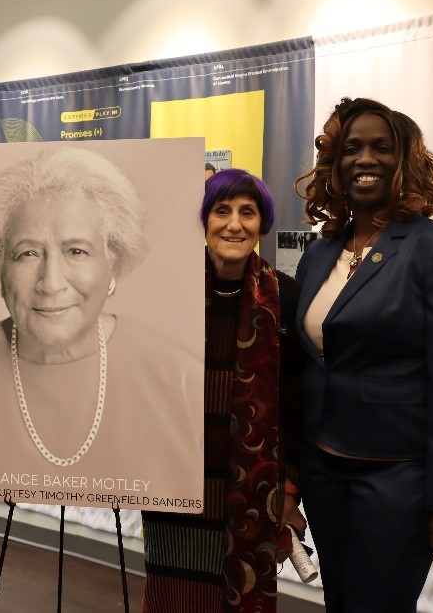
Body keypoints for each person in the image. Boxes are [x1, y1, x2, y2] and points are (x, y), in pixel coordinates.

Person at [0, 147, 204, 508]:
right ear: (1, 268)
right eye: (27, 253)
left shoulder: (182, 382)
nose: (50, 283)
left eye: (76, 251)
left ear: (112, 263)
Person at [293, 97, 433, 612]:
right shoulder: (320, 251)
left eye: (381, 148)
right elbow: (309, 364)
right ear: (334, 165)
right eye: (352, 149)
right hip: (323, 470)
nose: (365, 159)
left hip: (397, 478)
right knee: (340, 601)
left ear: (405, 162)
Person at [140, 168, 306, 612]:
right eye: (222, 210)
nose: (234, 223)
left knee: (240, 592)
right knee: (177, 592)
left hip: (253, 486)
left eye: (247, 212)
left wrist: (290, 492)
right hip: (177, 478)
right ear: (204, 221)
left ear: (262, 225)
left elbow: (294, 402)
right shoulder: (168, 292)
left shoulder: (285, 296)